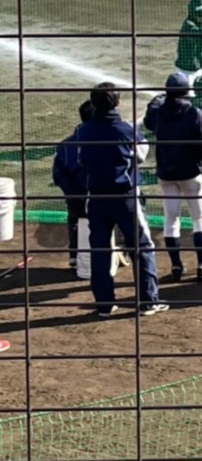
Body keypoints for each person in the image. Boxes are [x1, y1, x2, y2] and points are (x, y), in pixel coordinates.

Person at [78, 83, 167, 319]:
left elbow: (82, 161)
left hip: (96, 197)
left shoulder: (84, 131)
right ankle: (148, 301)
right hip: (125, 196)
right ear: (117, 103)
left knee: (100, 250)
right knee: (142, 246)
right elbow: (141, 156)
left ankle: (105, 305)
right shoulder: (125, 129)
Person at [144, 71, 202, 282]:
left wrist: (156, 100)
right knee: (200, 218)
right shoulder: (194, 113)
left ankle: (176, 266)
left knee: (171, 218)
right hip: (190, 173)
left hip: (166, 174)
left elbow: (149, 121)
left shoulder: (159, 112)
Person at [52, 99, 94, 269]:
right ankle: (120, 250)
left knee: (75, 218)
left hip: (77, 196)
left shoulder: (66, 144)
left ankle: (75, 254)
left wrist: (72, 192)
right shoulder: (106, 139)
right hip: (99, 195)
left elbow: (58, 174)